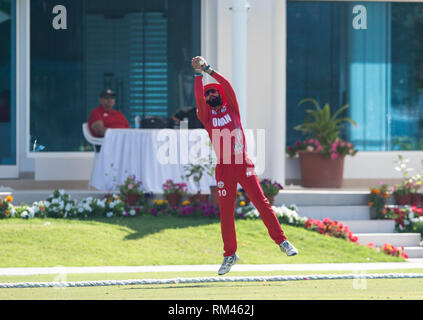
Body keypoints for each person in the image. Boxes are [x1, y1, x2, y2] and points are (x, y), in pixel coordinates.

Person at [192, 56, 298, 275]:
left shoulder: (232, 107)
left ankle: (282, 241)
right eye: (207, 93)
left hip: (242, 164)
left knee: (261, 203)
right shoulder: (206, 117)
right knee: (226, 213)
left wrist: (208, 70)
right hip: (224, 167)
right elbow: (199, 100)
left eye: (214, 92)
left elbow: (228, 86)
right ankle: (230, 255)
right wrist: (196, 75)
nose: (211, 95)